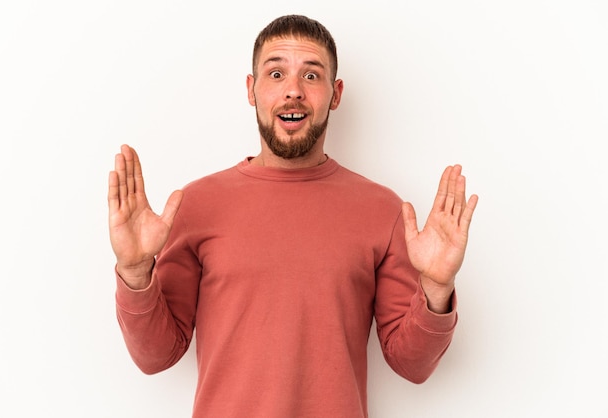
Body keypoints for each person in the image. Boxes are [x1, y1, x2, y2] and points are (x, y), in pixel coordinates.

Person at [108, 14, 478, 418]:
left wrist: (437, 288)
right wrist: (136, 271)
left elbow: (412, 365)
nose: (293, 92)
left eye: (312, 76)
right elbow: (156, 356)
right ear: (252, 90)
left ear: (335, 94)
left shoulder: (382, 210)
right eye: (277, 73)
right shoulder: (195, 205)